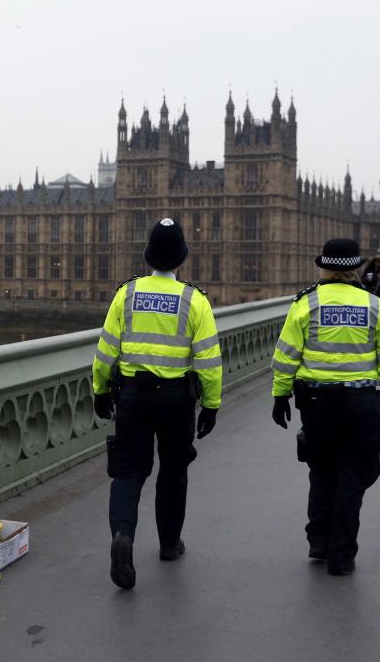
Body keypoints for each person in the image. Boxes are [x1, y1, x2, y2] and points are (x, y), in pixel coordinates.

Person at [91, 217, 223, 590]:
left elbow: (105, 351)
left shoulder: (127, 293)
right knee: (173, 470)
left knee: (127, 471)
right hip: (176, 399)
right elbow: (209, 361)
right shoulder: (195, 300)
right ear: (182, 257)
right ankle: (169, 544)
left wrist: (100, 390)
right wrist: (211, 405)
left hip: (132, 395)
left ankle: (123, 536)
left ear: (148, 255)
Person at [269, 238, 380, 576]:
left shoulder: (305, 303)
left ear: (323, 267)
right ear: (356, 268)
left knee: (321, 469)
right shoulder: (374, 305)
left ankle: (318, 539)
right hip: (362, 403)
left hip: (317, 403)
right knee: (354, 474)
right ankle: (341, 553)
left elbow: (286, 357)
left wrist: (280, 396)